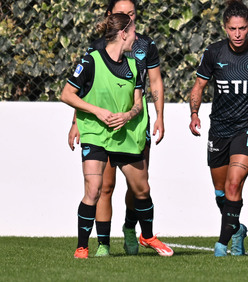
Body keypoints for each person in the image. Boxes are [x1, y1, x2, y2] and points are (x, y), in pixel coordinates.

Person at [61, 13, 173, 259]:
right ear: (124, 33)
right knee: (94, 188)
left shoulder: (133, 66)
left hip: (124, 135)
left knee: (141, 189)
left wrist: (127, 115)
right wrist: (97, 112)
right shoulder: (90, 60)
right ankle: (83, 247)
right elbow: (67, 94)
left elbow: (138, 105)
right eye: (133, 32)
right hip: (96, 134)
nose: (136, 37)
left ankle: (148, 235)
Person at [188, 0, 248, 257]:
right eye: (233, 29)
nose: (238, 34)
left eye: (242, 28)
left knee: (233, 185)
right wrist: (194, 113)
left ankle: (221, 243)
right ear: (224, 28)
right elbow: (198, 86)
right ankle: (237, 230)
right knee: (221, 193)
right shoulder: (214, 52)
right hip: (219, 129)